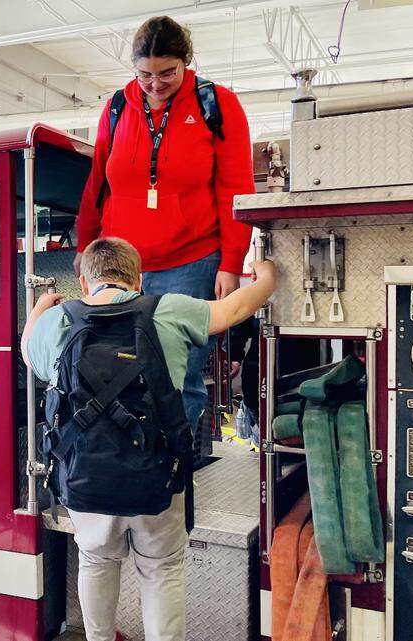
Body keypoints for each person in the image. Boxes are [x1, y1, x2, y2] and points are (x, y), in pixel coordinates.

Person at [23, 237, 276, 641]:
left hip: (85, 477)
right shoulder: (169, 309)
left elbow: (28, 352)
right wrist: (266, 277)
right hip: (157, 475)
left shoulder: (59, 321)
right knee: (161, 569)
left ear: (85, 284)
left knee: (95, 561)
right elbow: (236, 309)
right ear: (138, 280)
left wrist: (40, 307)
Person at [74, 15, 255, 453]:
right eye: (145, 74)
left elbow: (236, 188)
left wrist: (231, 263)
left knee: (179, 372)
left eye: (167, 73)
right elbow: (98, 181)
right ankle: (120, 461)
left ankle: (171, 467)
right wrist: (85, 246)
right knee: (113, 364)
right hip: (118, 264)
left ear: (186, 63)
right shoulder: (118, 106)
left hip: (190, 262)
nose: (155, 84)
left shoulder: (217, 103)